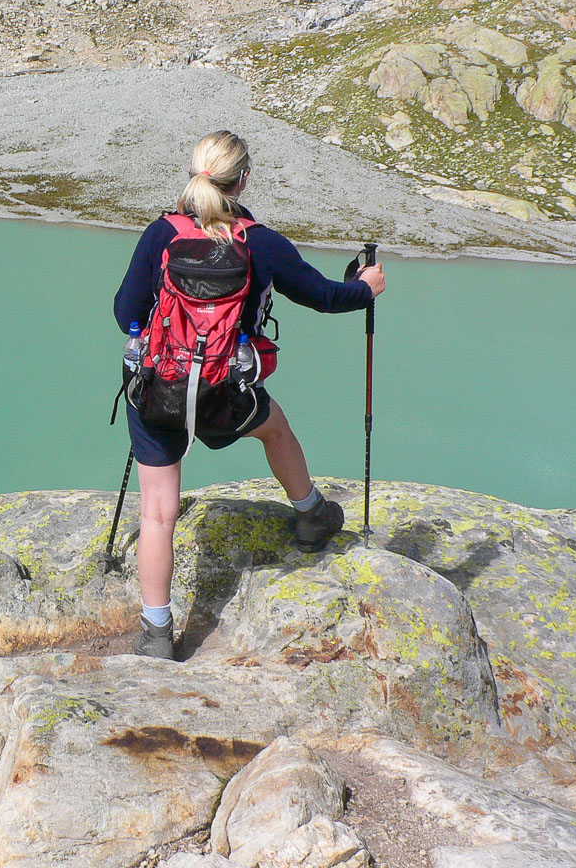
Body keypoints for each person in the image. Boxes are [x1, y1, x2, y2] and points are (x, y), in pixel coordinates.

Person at [112, 131, 385, 660]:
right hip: (224, 398)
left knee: (158, 514)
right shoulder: (260, 242)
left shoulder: (160, 234)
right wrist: (366, 288)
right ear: (243, 180)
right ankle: (311, 513)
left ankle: (156, 633)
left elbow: (126, 310)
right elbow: (325, 297)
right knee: (274, 426)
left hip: (158, 395)